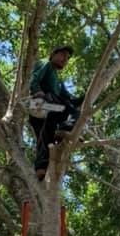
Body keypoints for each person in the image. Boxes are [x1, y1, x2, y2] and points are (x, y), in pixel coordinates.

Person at [28, 45, 83, 180]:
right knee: (73, 112)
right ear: (53, 54)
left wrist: (87, 96)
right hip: (44, 103)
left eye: (67, 58)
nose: (65, 59)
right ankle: (65, 128)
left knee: (45, 138)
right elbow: (34, 78)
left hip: (50, 111)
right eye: (63, 55)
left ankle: (41, 168)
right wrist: (37, 91)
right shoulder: (45, 64)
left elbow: (71, 99)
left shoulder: (58, 82)